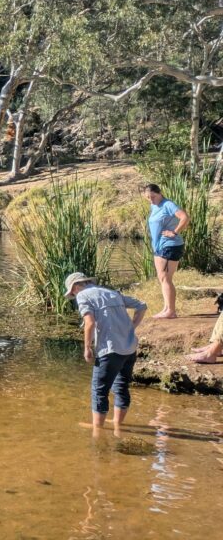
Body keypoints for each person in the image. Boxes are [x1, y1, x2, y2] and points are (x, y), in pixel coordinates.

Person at [64, 272, 147, 433]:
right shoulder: (111, 293)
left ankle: (98, 431)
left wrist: (87, 348)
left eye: (72, 292)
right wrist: (131, 327)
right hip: (129, 348)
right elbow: (142, 305)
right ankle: (117, 424)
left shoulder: (83, 296)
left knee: (99, 390)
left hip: (109, 350)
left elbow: (90, 323)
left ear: (75, 287)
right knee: (121, 386)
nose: (73, 295)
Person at [142, 183, 189, 319]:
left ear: (160, 193)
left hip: (170, 245)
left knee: (166, 278)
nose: (151, 200)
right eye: (148, 198)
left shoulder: (168, 204)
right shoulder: (154, 206)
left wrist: (174, 232)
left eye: (153, 197)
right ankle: (166, 308)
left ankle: (171, 311)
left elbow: (184, 217)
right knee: (162, 278)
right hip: (159, 246)